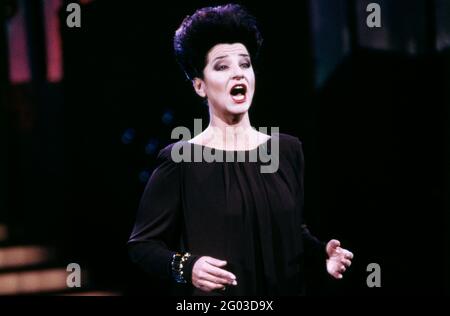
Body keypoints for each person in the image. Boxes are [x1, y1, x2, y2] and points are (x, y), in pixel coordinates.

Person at [128, 3, 353, 295]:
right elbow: (142, 245)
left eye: (245, 64)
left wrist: (321, 254)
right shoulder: (180, 160)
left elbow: (292, 231)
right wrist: (187, 267)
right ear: (200, 86)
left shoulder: (287, 150)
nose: (238, 74)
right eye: (222, 66)